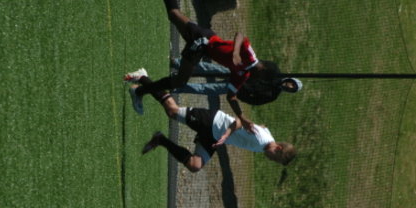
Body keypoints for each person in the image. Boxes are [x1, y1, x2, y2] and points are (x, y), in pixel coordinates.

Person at [125, 0, 287, 124]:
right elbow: (240, 36)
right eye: (261, 77)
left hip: (203, 44)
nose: (258, 80)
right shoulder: (250, 56)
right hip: (203, 42)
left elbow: (231, 97)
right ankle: (139, 90)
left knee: (174, 14)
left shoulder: (244, 74)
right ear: (263, 70)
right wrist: (236, 52)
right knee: (179, 80)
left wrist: (242, 117)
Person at [127, 74, 296, 172]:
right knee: (172, 111)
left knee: (195, 165)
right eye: (275, 158)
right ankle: (143, 80)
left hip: (214, 137)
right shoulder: (262, 140)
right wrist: (227, 134)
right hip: (213, 122)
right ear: (278, 148)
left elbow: (259, 127)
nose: (271, 160)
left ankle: (160, 139)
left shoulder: (265, 143)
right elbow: (239, 122)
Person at [171, 58, 303, 105]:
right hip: (238, 73)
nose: (290, 86)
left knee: (206, 89)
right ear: (289, 79)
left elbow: (254, 101)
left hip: (236, 87)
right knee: (209, 68)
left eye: (292, 89)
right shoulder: (274, 70)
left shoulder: (272, 95)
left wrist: (239, 94)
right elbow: (257, 63)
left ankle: (176, 86)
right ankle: (178, 63)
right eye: (292, 84)